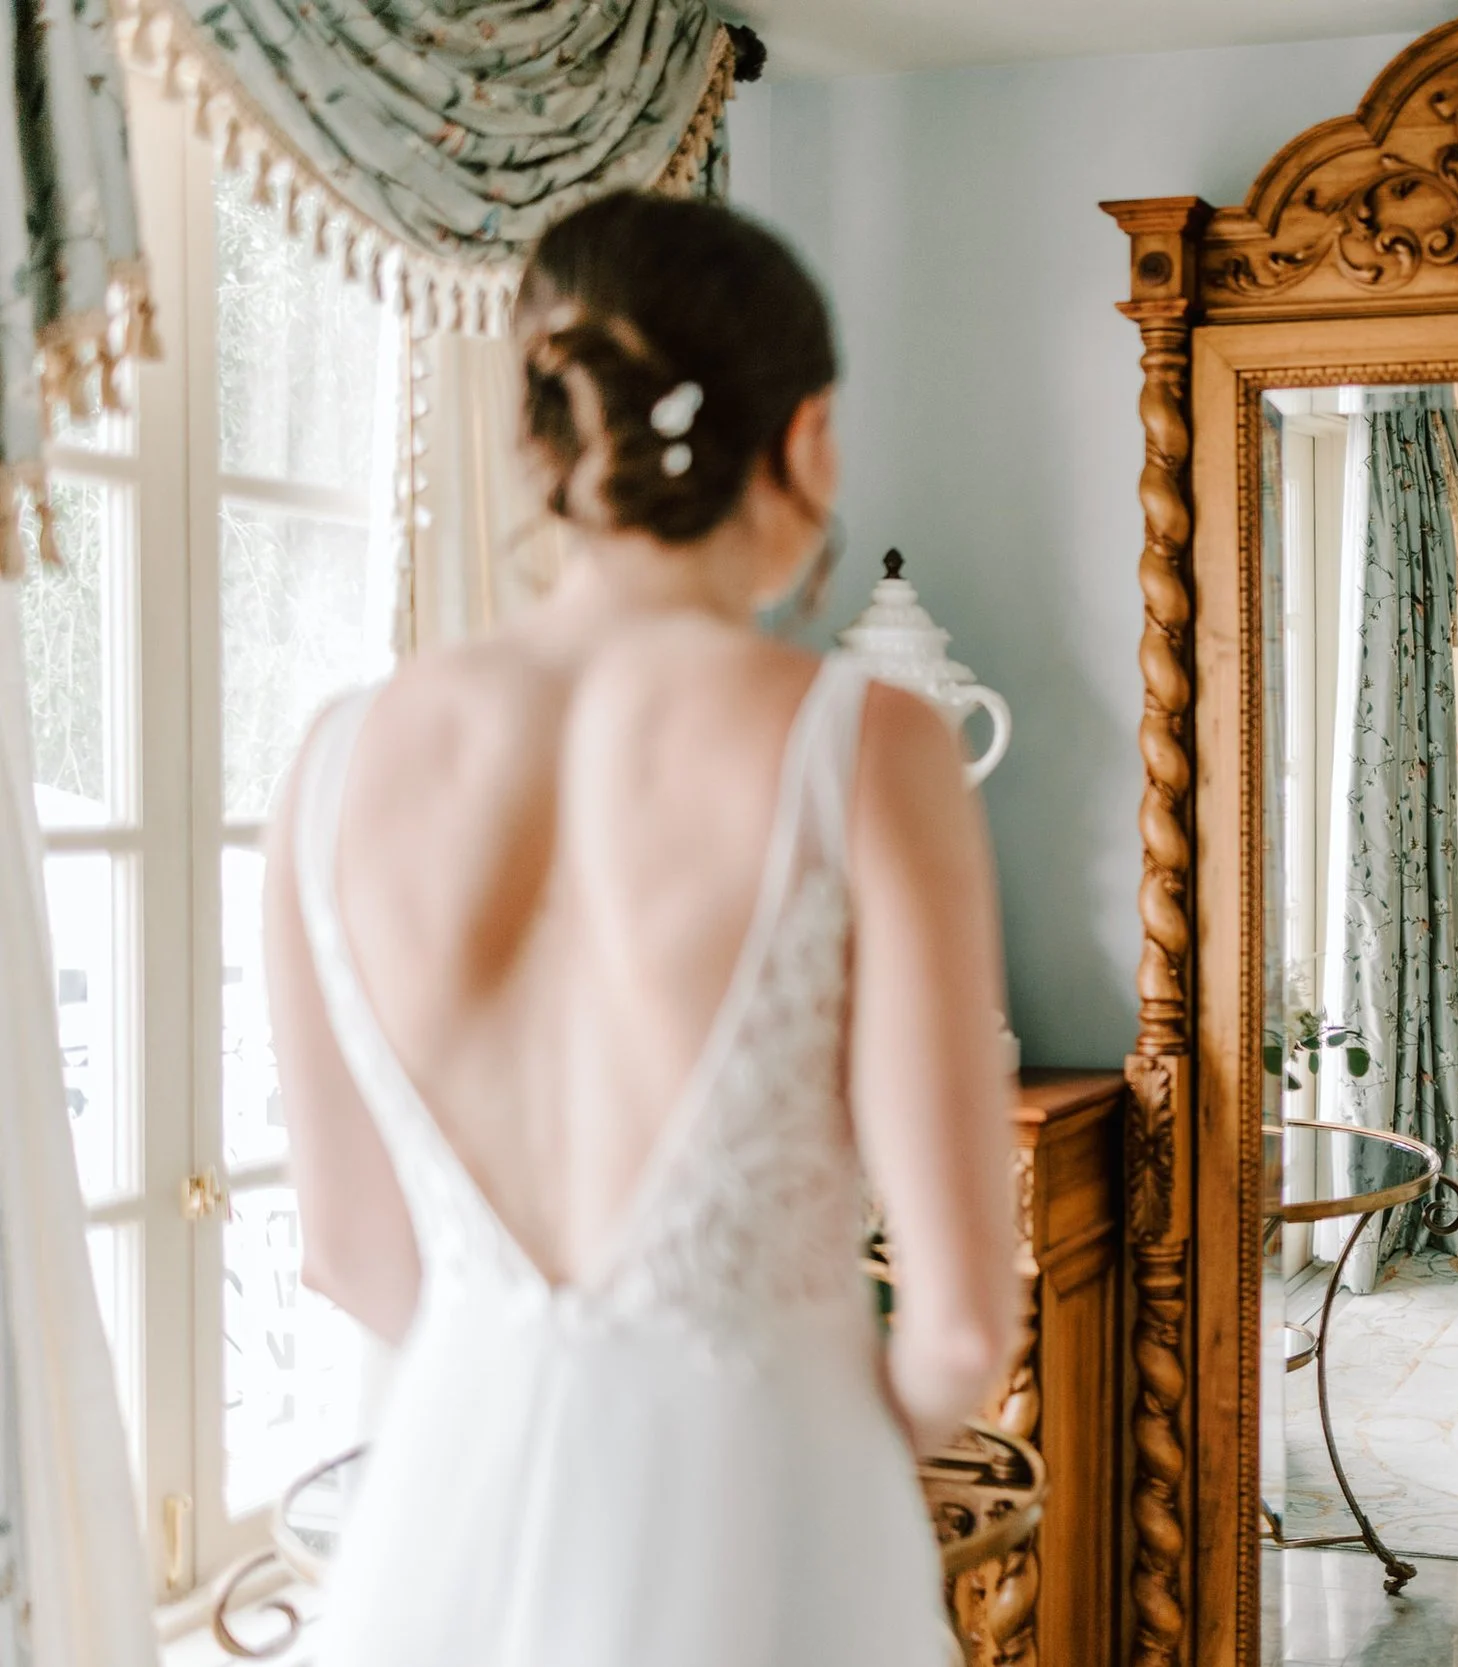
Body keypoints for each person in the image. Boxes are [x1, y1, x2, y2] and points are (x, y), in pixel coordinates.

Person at [261, 193, 1020, 1665]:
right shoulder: (865, 742)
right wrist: (758, 1431)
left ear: (549, 436)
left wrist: (539, 1408)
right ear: (806, 442)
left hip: (447, 1510)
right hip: (765, 1520)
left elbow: (356, 1249)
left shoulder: (337, 759)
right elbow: (961, 1331)